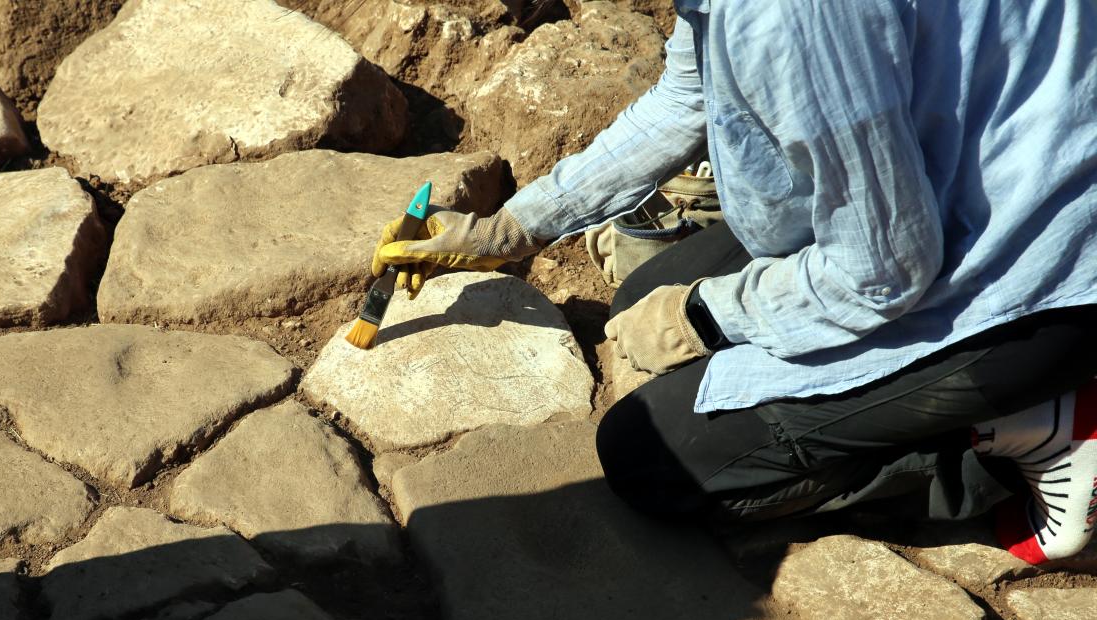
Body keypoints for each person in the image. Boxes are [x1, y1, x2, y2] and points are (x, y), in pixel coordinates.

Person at [371, 0, 1097, 563]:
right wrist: (514, 229)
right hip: (959, 182)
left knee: (651, 458)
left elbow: (884, 268)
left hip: (1037, 280)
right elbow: (685, 99)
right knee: (638, 297)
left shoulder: (783, 16)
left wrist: (704, 316)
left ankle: (1021, 432)